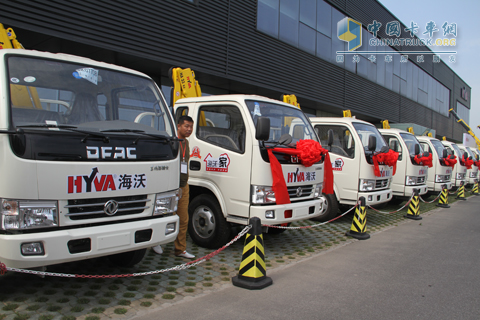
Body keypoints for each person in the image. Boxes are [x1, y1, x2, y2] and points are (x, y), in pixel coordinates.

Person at [152, 115, 195, 259]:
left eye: (191, 127)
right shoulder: (170, 141)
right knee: (163, 215)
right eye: (186, 126)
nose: (189, 129)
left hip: (184, 186)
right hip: (170, 186)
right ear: (178, 126)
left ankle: (180, 249)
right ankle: (156, 242)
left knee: (183, 219)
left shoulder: (186, 143)